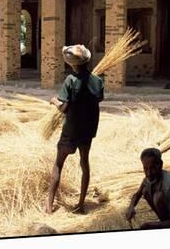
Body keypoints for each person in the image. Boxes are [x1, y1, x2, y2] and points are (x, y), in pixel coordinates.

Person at [45, 44, 104, 215]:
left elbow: (64, 108)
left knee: (58, 164)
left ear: (72, 64)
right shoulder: (98, 80)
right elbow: (97, 99)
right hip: (88, 130)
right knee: (84, 163)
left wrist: (53, 100)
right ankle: (81, 204)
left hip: (71, 130)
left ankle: (49, 206)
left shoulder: (71, 80)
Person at [125, 148, 170, 229]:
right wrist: (131, 207)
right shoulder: (149, 178)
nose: (148, 173)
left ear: (160, 165)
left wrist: (148, 225)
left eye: (152, 168)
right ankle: (164, 221)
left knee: (158, 197)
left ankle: (165, 224)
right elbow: (137, 194)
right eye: (145, 168)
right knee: (145, 190)